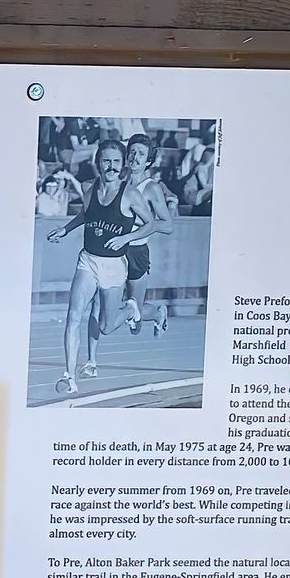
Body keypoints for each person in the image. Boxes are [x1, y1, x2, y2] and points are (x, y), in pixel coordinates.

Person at [46, 139, 133, 394]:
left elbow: (151, 222)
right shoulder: (88, 188)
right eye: (107, 161)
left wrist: (126, 238)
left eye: (116, 162)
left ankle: (129, 309)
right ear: (98, 163)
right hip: (89, 260)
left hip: (115, 265)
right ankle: (69, 377)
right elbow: (87, 213)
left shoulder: (130, 194)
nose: (111, 167)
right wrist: (65, 229)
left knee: (106, 326)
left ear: (123, 164)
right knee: (74, 316)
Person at [118, 135, 174, 337]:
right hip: (114, 249)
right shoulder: (117, 181)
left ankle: (158, 313)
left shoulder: (151, 188)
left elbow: (168, 226)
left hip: (136, 251)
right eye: (132, 152)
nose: (135, 157)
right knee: (110, 305)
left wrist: (145, 225)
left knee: (136, 312)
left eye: (141, 154)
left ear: (148, 161)